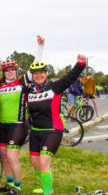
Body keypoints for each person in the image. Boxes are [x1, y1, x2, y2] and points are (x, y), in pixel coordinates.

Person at [27, 54, 86, 195]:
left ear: (46, 74)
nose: (38, 75)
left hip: (53, 130)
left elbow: (70, 77)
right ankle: (47, 186)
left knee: (43, 162)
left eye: (41, 72)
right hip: (35, 131)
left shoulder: (55, 87)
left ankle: (47, 192)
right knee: (35, 163)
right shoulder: (29, 90)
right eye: (35, 73)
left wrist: (81, 63)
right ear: (32, 76)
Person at [0, 35, 44, 195]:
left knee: (11, 157)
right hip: (1, 125)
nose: (10, 72)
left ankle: (17, 186)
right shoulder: (0, 86)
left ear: (16, 71)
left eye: (12, 70)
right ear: (3, 72)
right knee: (3, 155)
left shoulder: (22, 82)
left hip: (17, 125)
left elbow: (35, 68)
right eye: (7, 70)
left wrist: (40, 47)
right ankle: (9, 185)